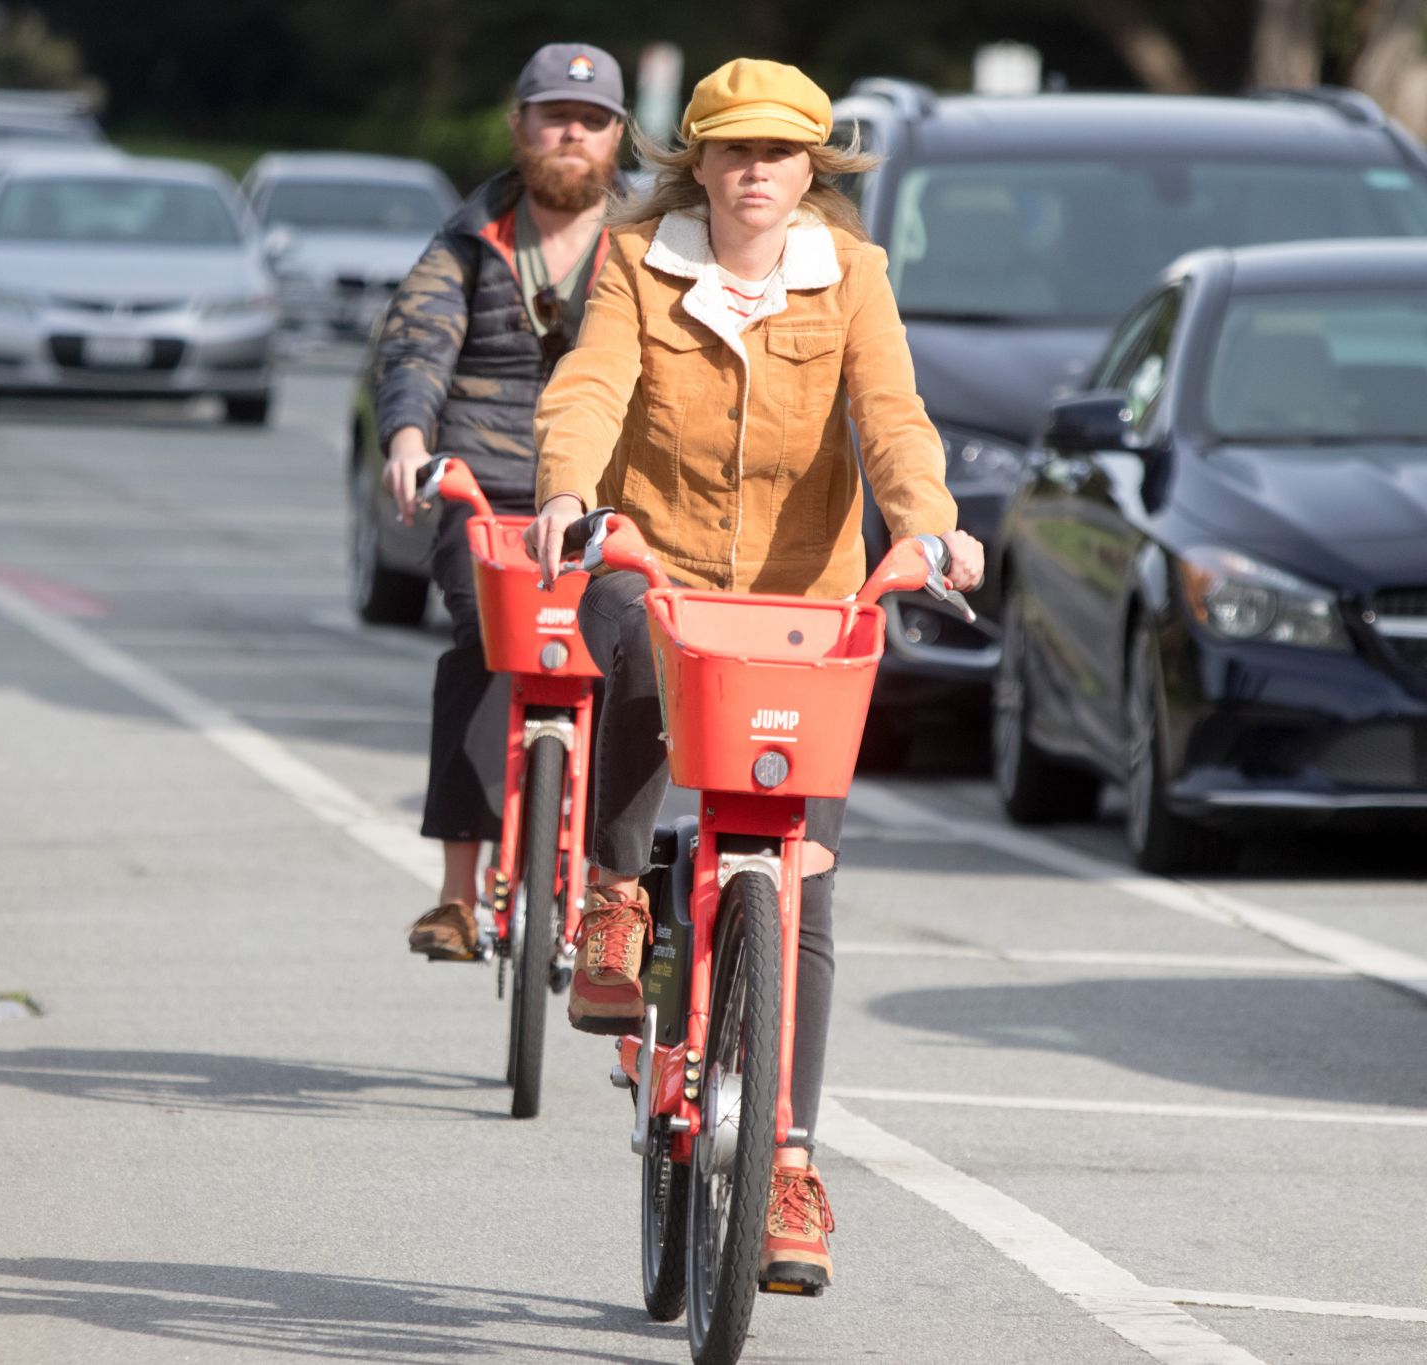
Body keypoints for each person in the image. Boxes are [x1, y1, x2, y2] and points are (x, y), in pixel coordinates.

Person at [524, 58, 985, 1292]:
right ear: (699, 164)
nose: (755, 172)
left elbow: (891, 419)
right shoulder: (635, 261)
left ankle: (787, 1155)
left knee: (806, 881)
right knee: (622, 622)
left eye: (779, 152)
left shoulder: (853, 279)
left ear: (810, 167)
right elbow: (589, 389)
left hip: (806, 601)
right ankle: (616, 885)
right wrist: (568, 494)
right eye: (733, 151)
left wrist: (926, 527)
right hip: (660, 560)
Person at [381, 42, 628, 961]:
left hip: (606, 492)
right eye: (556, 115)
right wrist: (410, 440)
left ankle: (615, 901)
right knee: (483, 648)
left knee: (631, 657)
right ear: (519, 126)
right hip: (488, 489)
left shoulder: (648, 244)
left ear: (617, 137)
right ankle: (455, 896)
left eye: (593, 120)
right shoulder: (468, 237)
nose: (573, 133)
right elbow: (416, 343)